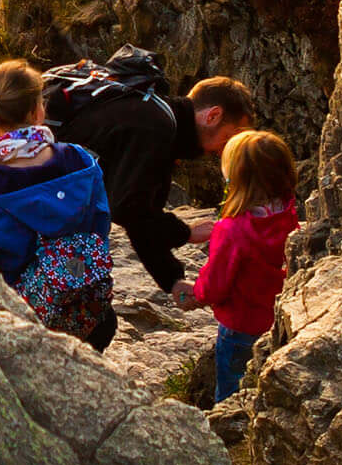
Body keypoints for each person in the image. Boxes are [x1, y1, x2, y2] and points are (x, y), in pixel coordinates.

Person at [47, 55, 262, 292]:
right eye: (230, 137)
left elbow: (143, 214)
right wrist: (186, 233)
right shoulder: (156, 128)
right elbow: (128, 210)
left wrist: (173, 280)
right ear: (213, 116)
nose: (226, 150)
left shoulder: (162, 121)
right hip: (41, 201)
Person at [0, 59, 118, 349]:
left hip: (25, 324)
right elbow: (101, 226)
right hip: (88, 314)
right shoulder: (80, 160)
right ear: (36, 112)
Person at [189, 129, 298, 406]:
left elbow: (214, 286)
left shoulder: (231, 230)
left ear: (234, 180)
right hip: (278, 324)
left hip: (240, 328)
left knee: (231, 392)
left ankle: (227, 424)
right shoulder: (288, 215)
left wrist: (196, 292)